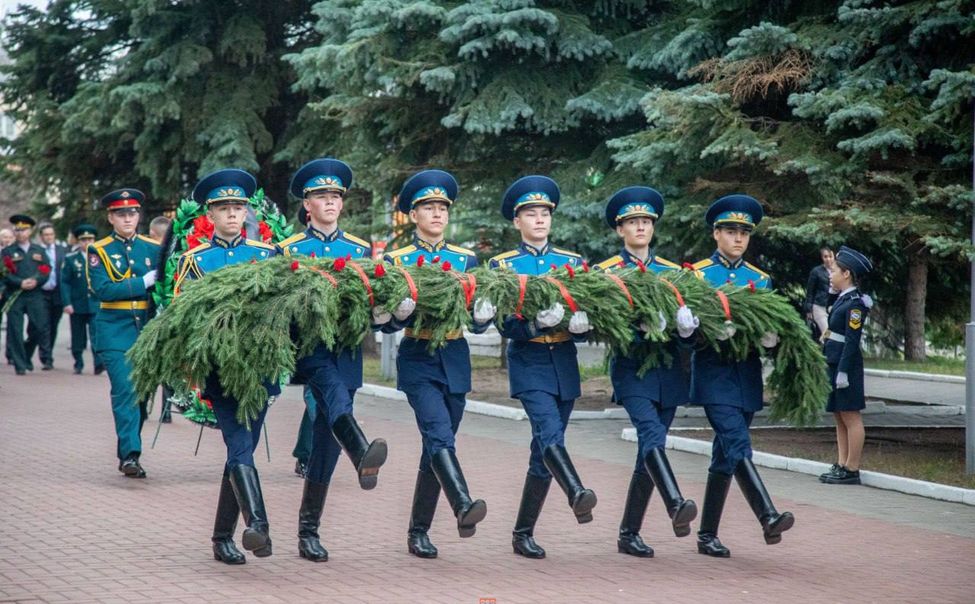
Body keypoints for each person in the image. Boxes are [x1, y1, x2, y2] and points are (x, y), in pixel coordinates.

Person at [277, 158, 388, 562]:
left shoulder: (359, 249)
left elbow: (375, 293)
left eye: (336, 196)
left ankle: (309, 531)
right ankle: (361, 450)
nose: (330, 202)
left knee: (325, 443)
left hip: (347, 349)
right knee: (331, 392)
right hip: (311, 350)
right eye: (322, 196)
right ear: (307, 205)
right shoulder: (289, 250)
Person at [381, 169, 489, 559]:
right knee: (438, 434)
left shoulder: (465, 258)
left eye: (442, 207)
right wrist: (398, 313)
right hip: (419, 357)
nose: (437, 213)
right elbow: (387, 319)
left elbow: (479, 321)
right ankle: (462, 503)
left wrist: (482, 314)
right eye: (428, 207)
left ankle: (418, 531)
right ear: (413, 215)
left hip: (455, 357)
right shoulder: (398, 260)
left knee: (437, 446)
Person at [488, 175, 596, 559]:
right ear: (517, 221)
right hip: (529, 361)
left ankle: (522, 533)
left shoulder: (572, 263)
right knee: (550, 433)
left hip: (563, 363)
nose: (539, 219)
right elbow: (504, 323)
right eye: (530, 214)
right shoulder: (503, 264)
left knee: (542, 452)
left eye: (544, 213)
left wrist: (583, 328)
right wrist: (535, 324)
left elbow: (589, 312)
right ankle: (577, 492)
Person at [175, 168, 278, 564]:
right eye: (224, 208)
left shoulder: (267, 257)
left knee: (243, 451)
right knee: (239, 445)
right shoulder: (195, 260)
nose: (233, 214)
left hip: (260, 371)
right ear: (211, 215)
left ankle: (222, 537)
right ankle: (259, 525)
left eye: (238, 207)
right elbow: (183, 316)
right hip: (220, 370)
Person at [595, 187, 698, 557]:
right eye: (632, 222)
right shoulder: (606, 273)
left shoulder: (673, 273)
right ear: (620, 230)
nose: (640, 227)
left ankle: (628, 533)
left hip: (669, 371)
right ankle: (675, 503)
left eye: (646, 222)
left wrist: (687, 330)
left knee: (646, 452)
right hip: (631, 369)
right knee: (651, 433)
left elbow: (692, 333)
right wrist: (638, 324)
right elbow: (603, 324)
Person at [690, 194, 794, 558]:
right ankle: (767, 515)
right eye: (731, 231)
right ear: (716, 234)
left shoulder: (759, 280)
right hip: (713, 373)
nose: (738, 238)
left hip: (746, 374)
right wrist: (707, 332)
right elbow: (685, 329)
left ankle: (706, 535)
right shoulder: (698, 275)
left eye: (744, 233)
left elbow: (770, 326)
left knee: (724, 455)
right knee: (736, 442)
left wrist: (770, 340)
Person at [86, 189, 160, 478]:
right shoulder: (99, 250)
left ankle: (128, 449)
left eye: (132, 212)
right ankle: (131, 454)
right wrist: (143, 281)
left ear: (139, 215)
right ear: (110, 217)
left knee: (142, 395)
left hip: (145, 329)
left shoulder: (152, 247)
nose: (127, 218)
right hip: (114, 329)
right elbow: (103, 289)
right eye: (121, 213)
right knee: (126, 390)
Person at [819, 245, 873, 486]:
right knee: (839, 416)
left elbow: (852, 339)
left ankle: (852, 467)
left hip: (846, 364)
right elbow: (835, 326)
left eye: (835, 270)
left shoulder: (856, 303)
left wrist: (843, 370)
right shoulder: (842, 299)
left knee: (851, 416)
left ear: (847, 274)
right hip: (834, 360)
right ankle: (841, 463)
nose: (830, 273)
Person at [2, 215, 52, 375]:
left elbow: (46, 269)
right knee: (15, 330)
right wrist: (19, 282)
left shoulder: (38, 250)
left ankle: (26, 354)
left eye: (24, 230)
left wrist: (36, 281)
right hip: (15, 294)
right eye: (18, 230)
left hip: (35, 294)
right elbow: (4, 273)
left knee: (39, 328)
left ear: (30, 231)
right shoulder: (8, 251)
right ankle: (20, 364)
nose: (21, 233)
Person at [60, 224, 104, 374]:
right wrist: (67, 303)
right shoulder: (71, 259)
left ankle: (98, 364)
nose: (87, 243)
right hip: (77, 304)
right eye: (83, 240)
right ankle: (78, 362)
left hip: (95, 303)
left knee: (97, 334)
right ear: (78, 241)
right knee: (78, 336)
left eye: (90, 239)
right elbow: (64, 282)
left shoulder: (100, 257)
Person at [23, 222, 66, 370]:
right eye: (46, 235)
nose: (49, 237)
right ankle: (45, 357)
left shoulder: (62, 251)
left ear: (54, 236)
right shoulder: (36, 251)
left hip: (57, 293)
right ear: (41, 237)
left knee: (52, 326)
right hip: (39, 293)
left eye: (51, 234)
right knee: (39, 326)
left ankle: (47, 354)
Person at [804, 247, 834, 339]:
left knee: (832, 333)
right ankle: (826, 346)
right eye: (825, 257)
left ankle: (825, 347)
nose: (828, 259)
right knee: (827, 332)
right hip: (819, 307)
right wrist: (809, 310)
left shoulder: (838, 271)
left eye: (830, 256)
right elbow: (810, 291)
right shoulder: (816, 271)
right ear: (822, 258)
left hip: (832, 308)